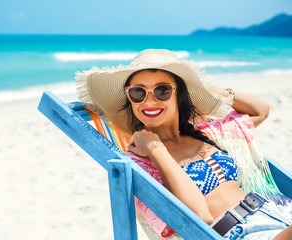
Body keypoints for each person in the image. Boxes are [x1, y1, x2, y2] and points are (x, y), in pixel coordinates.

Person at [75, 49, 292, 239]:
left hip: (279, 212)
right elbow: (199, 218)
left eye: (162, 90)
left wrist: (203, 89)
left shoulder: (207, 133)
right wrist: (154, 147)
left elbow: (260, 110)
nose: (149, 101)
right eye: (138, 92)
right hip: (241, 233)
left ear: (179, 94)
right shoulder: (140, 162)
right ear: (129, 98)